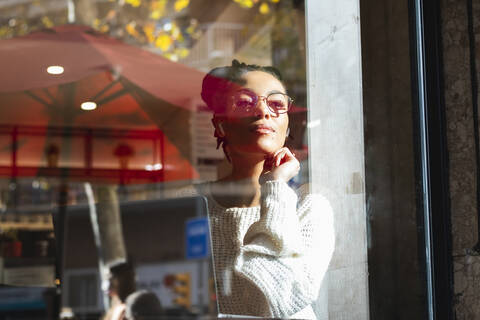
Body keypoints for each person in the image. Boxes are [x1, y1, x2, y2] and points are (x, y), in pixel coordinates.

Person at [174, 60, 335, 319]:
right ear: (221, 125)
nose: (263, 111)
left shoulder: (310, 206)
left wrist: (276, 185)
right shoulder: (187, 204)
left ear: (288, 126)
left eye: (276, 104)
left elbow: (280, 299)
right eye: (245, 102)